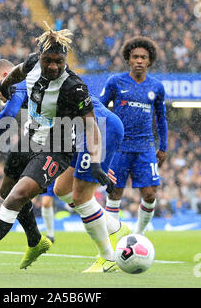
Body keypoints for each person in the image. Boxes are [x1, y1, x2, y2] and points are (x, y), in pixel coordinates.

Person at [0, 22, 113, 278]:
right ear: (41, 57)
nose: (54, 66)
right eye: (49, 61)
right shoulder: (32, 63)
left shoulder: (75, 87)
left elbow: (91, 126)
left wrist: (96, 162)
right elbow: (15, 72)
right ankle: (36, 241)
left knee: (15, 196)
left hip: (57, 149)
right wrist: (6, 86)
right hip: (30, 139)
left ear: (65, 59)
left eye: (59, 61)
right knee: (5, 191)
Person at [0, 58, 49, 269]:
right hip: (41, 138)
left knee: (72, 193)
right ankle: (35, 240)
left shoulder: (19, 84)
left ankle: (111, 246)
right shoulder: (28, 84)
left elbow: (8, 114)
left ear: (6, 76)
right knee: (7, 191)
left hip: (66, 137)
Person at [53, 92, 130, 273]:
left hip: (100, 129)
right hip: (83, 134)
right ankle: (115, 227)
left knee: (81, 198)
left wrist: (96, 160)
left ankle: (108, 258)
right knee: (62, 188)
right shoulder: (42, 86)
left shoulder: (38, 85)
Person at [99, 36, 168, 235]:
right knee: (114, 193)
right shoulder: (115, 82)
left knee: (149, 194)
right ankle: (113, 238)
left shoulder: (156, 87)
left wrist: (163, 147)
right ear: (128, 59)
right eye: (135, 56)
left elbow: (161, 119)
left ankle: (138, 235)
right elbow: (99, 108)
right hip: (119, 147)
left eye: (143, 57)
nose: (139, 60)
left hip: (145, 147)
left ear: (149, 61)